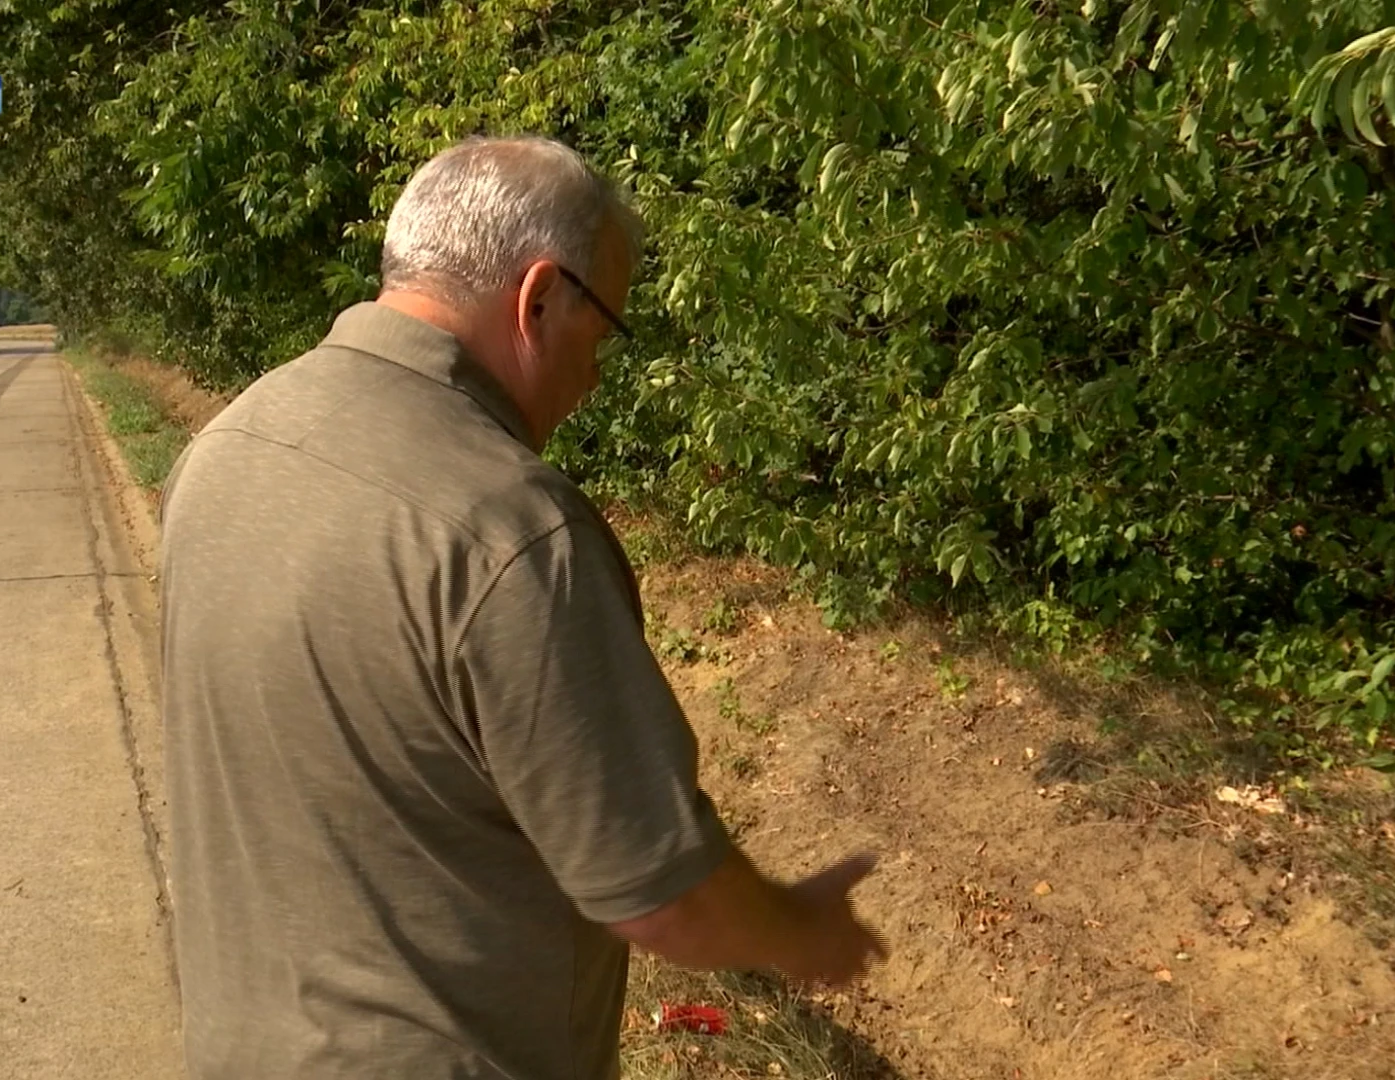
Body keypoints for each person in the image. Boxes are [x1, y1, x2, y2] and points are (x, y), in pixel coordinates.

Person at [157, 135, 886, 1080]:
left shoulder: (228, 442)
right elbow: (656, 895)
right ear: (540, 298)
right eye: (606, 327)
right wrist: (800, 931)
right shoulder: (512, 528)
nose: (597, 372)